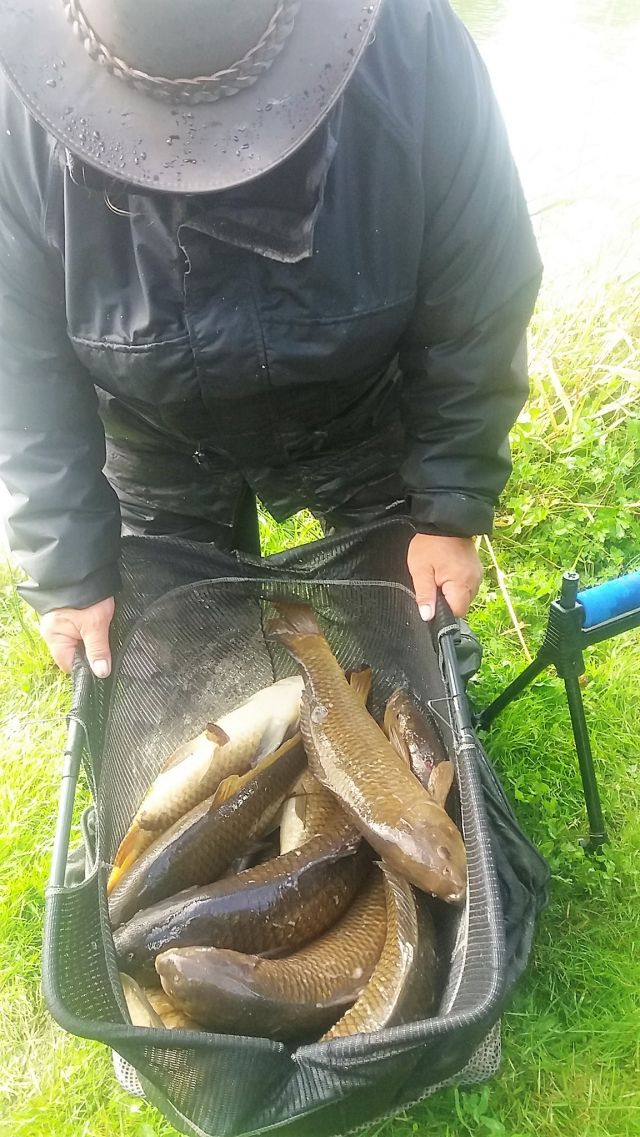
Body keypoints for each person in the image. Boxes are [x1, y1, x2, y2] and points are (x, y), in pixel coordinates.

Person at [0, 0, 542, 678]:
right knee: (183, 669)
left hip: (361, 406)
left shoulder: (410, 40)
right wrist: (70, 566)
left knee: (407, 649)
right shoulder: (19, 99)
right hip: (155, 431)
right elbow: (20, 363)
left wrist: (449, 504)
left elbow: (478, 290)